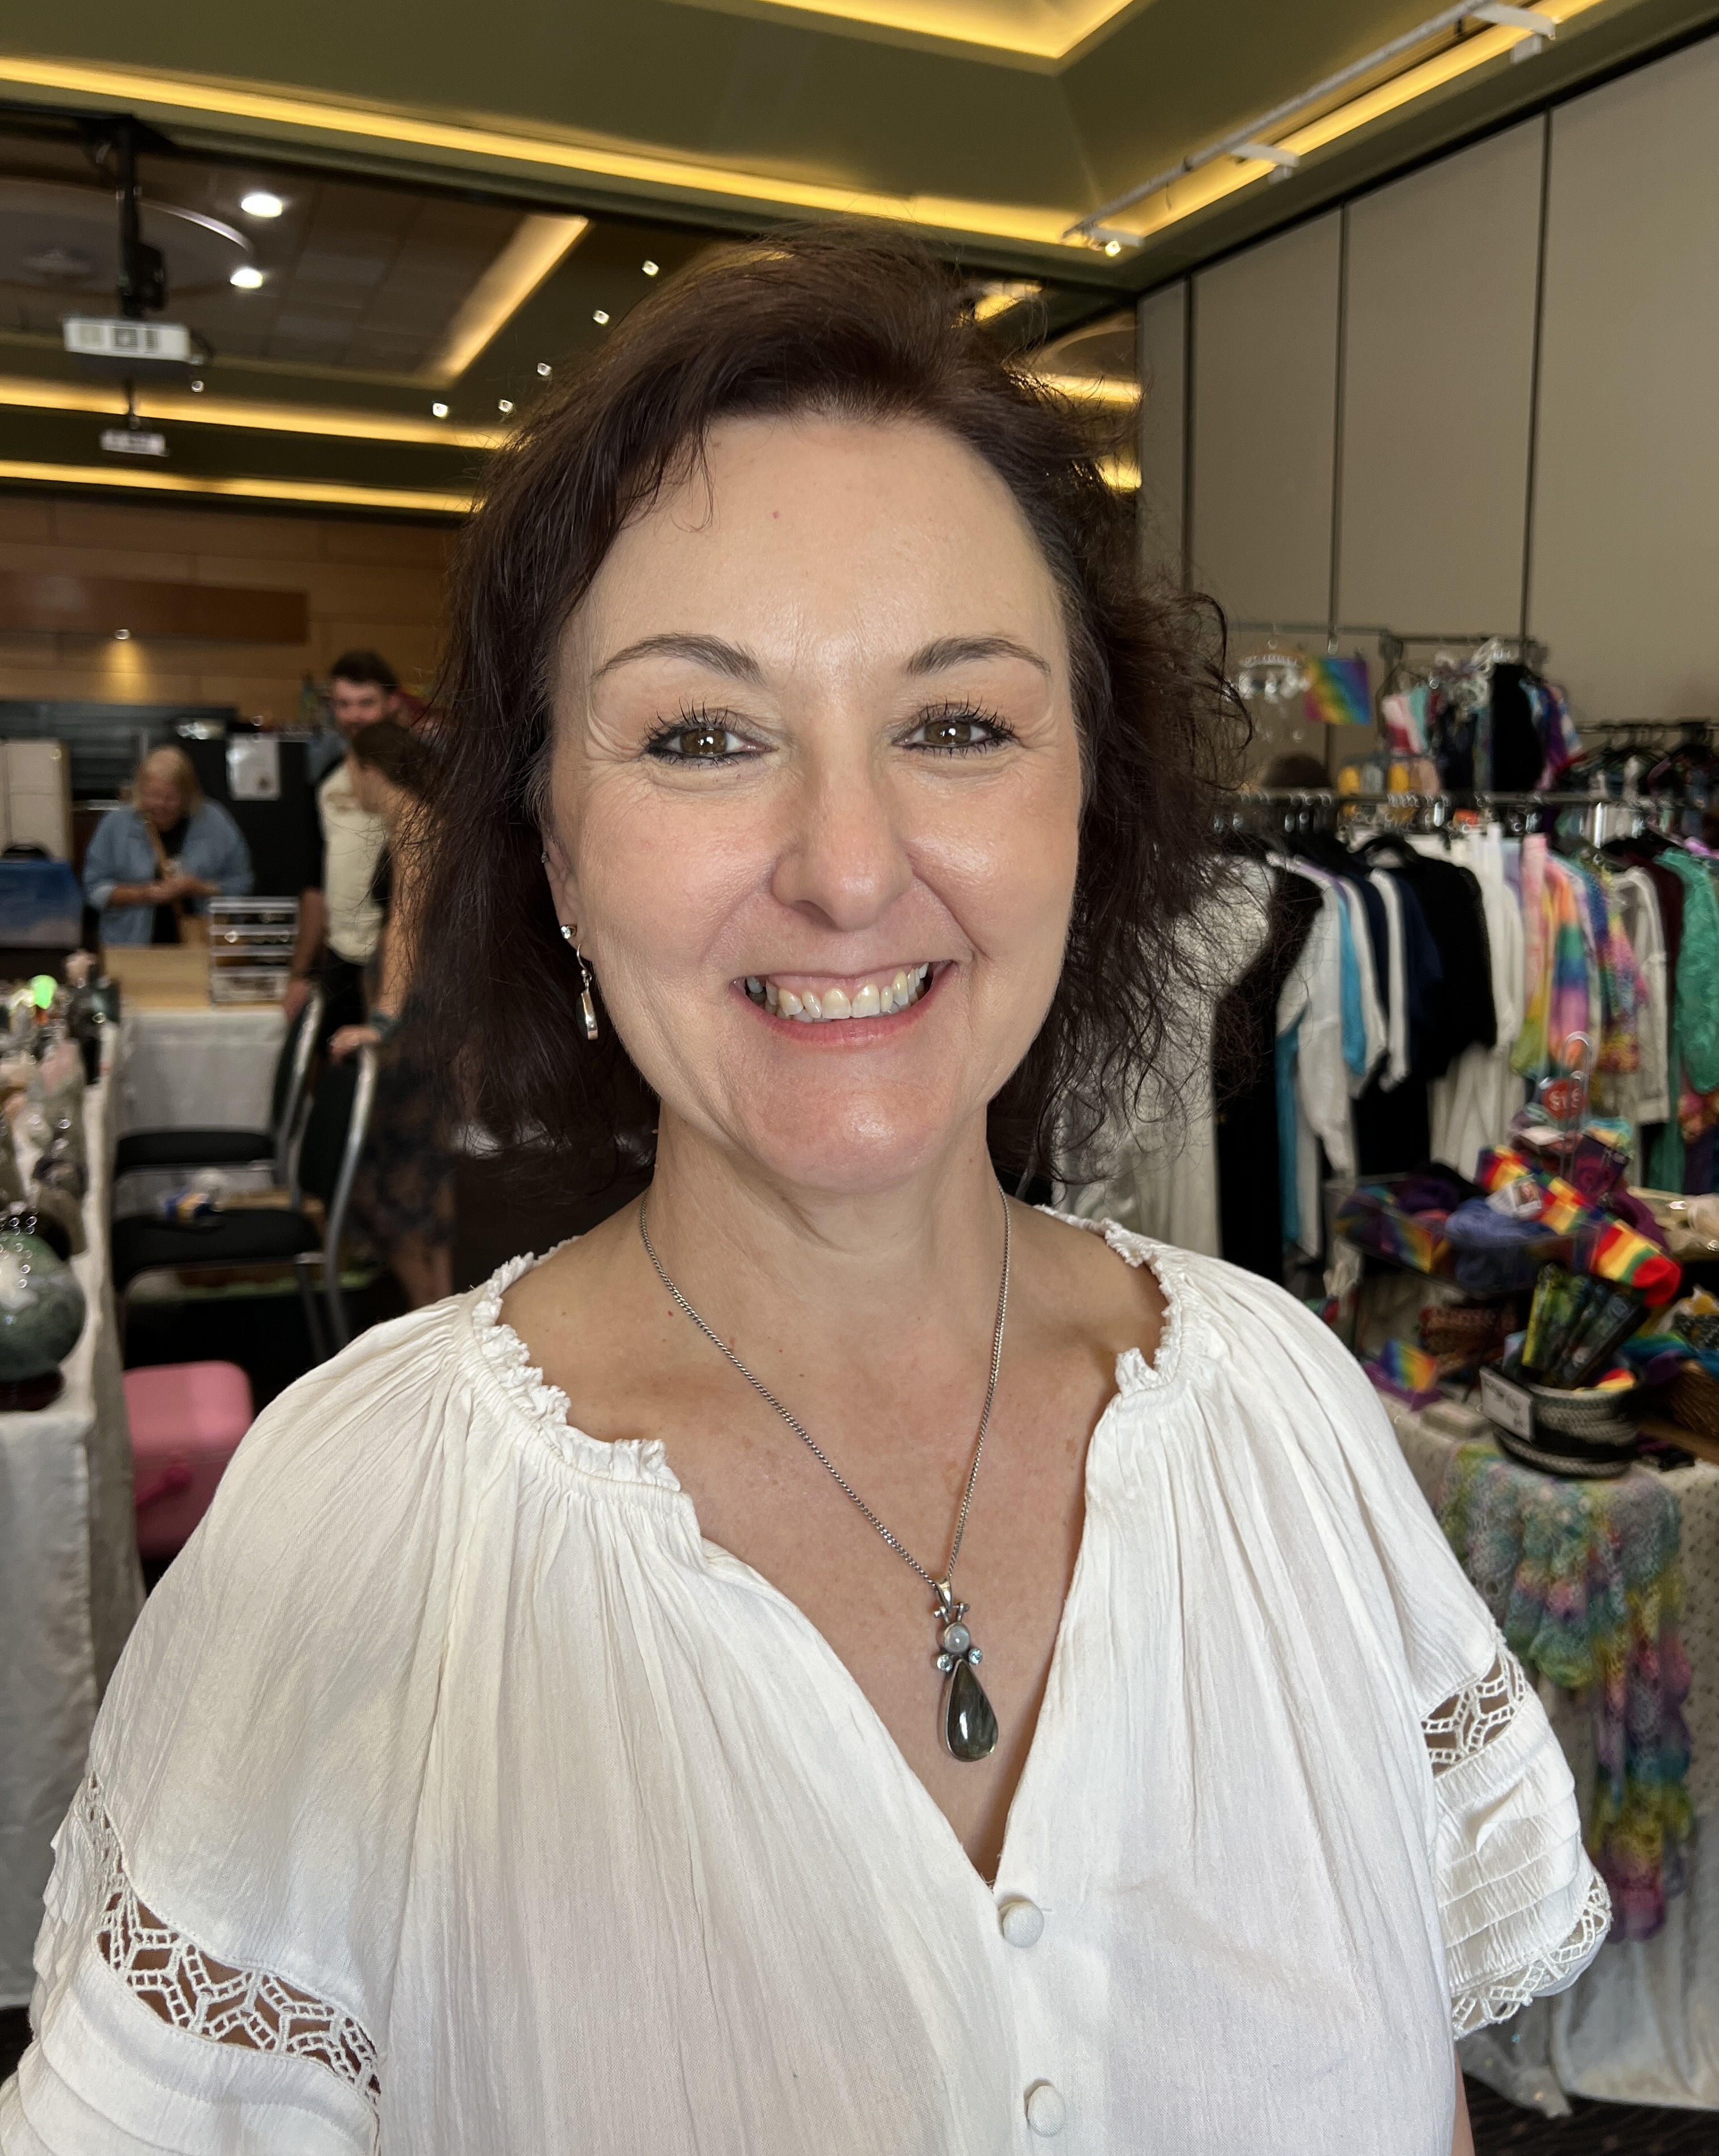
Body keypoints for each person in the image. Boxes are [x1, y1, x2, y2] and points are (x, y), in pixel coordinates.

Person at [1, 234, 1604, 2156]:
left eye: (956, 725)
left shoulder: (1288, 1427)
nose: (847, 868)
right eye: (704, 736)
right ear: (555, 849)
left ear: (1086, 807)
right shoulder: (356, 1542)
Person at [326, 718, 453, 1309]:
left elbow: (405, 929)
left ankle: (429, 1312)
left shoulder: (417, 826)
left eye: (351, 771)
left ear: (370, 770)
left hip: (415, 1027)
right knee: (426, 1171)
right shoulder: (434, 822)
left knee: (385, 1183)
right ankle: (441, 1311)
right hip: (430, 1021)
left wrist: (381, 1022)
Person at [283, 650, 402, 1035]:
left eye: (366, 703)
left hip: (398, 960)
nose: (354, 716)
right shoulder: (327, 779)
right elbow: (316, 885)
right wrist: (300, 973)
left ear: (392, 703)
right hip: (340, 958)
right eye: (344, 704)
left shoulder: (420, 775)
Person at [80, 745, 252, 948]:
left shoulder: (215, 822)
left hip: (201, 944)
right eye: (152, 795)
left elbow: (242, 885)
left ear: (188, 795)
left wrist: (197, 887)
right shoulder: (116, 825)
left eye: (171, 798)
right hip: (129, 946)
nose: (160, 805)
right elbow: (94, 889)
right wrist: (143, 894)